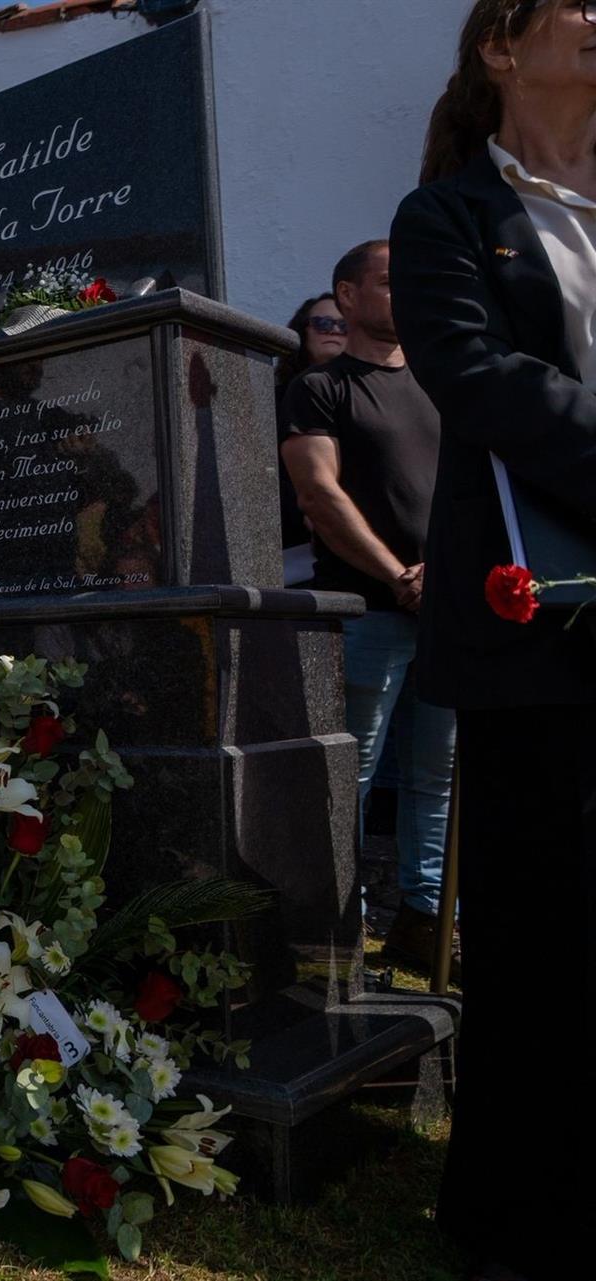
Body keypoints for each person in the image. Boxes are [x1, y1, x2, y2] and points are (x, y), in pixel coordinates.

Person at [392, 3, 596, 1275]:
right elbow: (478, 379)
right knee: (544, 927)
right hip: (542, 624)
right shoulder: (449, 218)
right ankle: (519, 1214)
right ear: (501, 48)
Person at [281, 241, 455, 974]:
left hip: (446, 614)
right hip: (368, 615)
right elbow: (321, 495)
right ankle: (337, 932)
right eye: (388, 281)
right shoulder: (320, 390)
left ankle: (426, 921)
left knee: (436, 776)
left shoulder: (446, 383)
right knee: (348, 774)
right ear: (346, 296)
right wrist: (398, 575)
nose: (404, 292)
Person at [274, 293, 348, 585]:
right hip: (300, 553)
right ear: (303, 331)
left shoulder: (371, 396)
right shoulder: (274, 400)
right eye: (323, 323)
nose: (334, 330)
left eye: (344, 325)